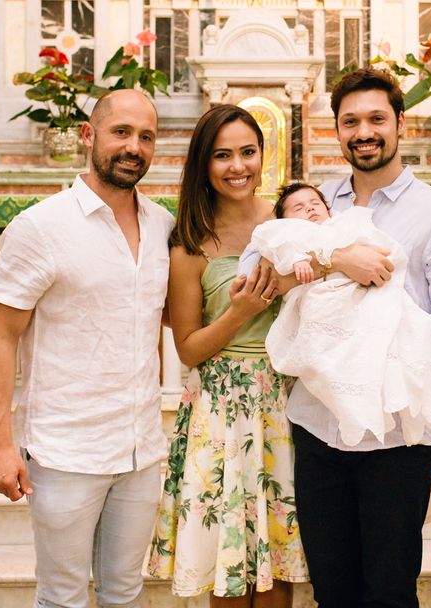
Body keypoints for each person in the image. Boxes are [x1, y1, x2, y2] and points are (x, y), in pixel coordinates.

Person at [289, 69, 431, 608]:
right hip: (317, 426)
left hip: (397, 439)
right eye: (350, 121)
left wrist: (373, 342)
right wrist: (332, 256)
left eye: (376, 119)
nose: (363, 131)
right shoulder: (314, 206)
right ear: (336, 130)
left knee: (389, 592)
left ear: (400, 123)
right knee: (331, 590)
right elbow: (272, 266)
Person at [0, 90, 174, 608]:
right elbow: (1, 339)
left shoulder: (162, 225)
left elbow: (161, 320)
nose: (134, 146)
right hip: (68, 449)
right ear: (89, 136)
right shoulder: (40, 227)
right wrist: (0, 445)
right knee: (63, 597)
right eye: (122, 132)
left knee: (124, 592)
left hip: (139, 447)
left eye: (147, 137)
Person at [148, 104, 306, 607]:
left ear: (264, 155)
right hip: (218, 411)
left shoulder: (287, 219)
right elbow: (188, 349)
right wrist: (239, 312)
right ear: (203, 164)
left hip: (286, 403)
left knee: (279, 560)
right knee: (228, 566)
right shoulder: (190, 241)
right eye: (222, 155)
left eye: (247, 152)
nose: (238, 166)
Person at [239, 183, 431, 448]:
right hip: (318, 304)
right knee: (324, 351)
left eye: (315, 204)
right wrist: (303, 259)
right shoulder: (287, 232)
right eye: (298, 207)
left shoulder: (345, 223)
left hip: (361, 295)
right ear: (285, 218)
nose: (309, 208)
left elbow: (378, 251)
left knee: (381, 336)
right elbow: (262, 262)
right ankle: (352, 402)